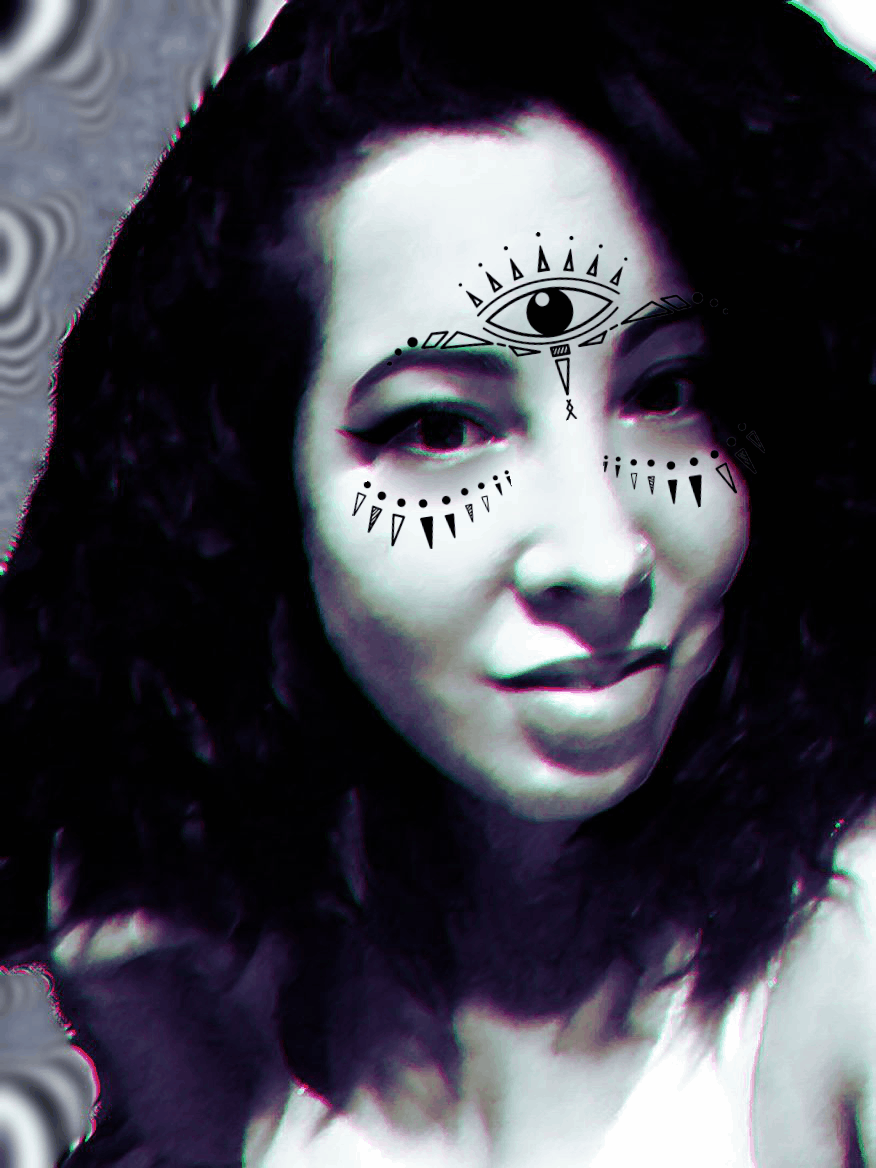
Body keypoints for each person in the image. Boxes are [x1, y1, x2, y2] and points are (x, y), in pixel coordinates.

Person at [0, 0, 874, 1164]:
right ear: (259, 491)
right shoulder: (200, 986)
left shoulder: (853, 951)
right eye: (442, 427)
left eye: (667, 392)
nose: (602, 552)